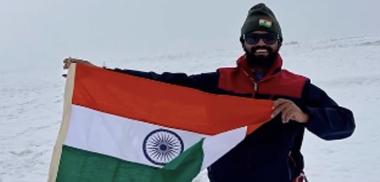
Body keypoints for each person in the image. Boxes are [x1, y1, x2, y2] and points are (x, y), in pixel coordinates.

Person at [63, 3, 355, 182]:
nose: (261, 43)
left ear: (279, 42)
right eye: (253, 37)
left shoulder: (297, 87)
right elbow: (162, 85)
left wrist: (305, 114)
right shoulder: (221, 82)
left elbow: (344, 124)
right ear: (243, 42)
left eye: (268, 37)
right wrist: (103, 74)